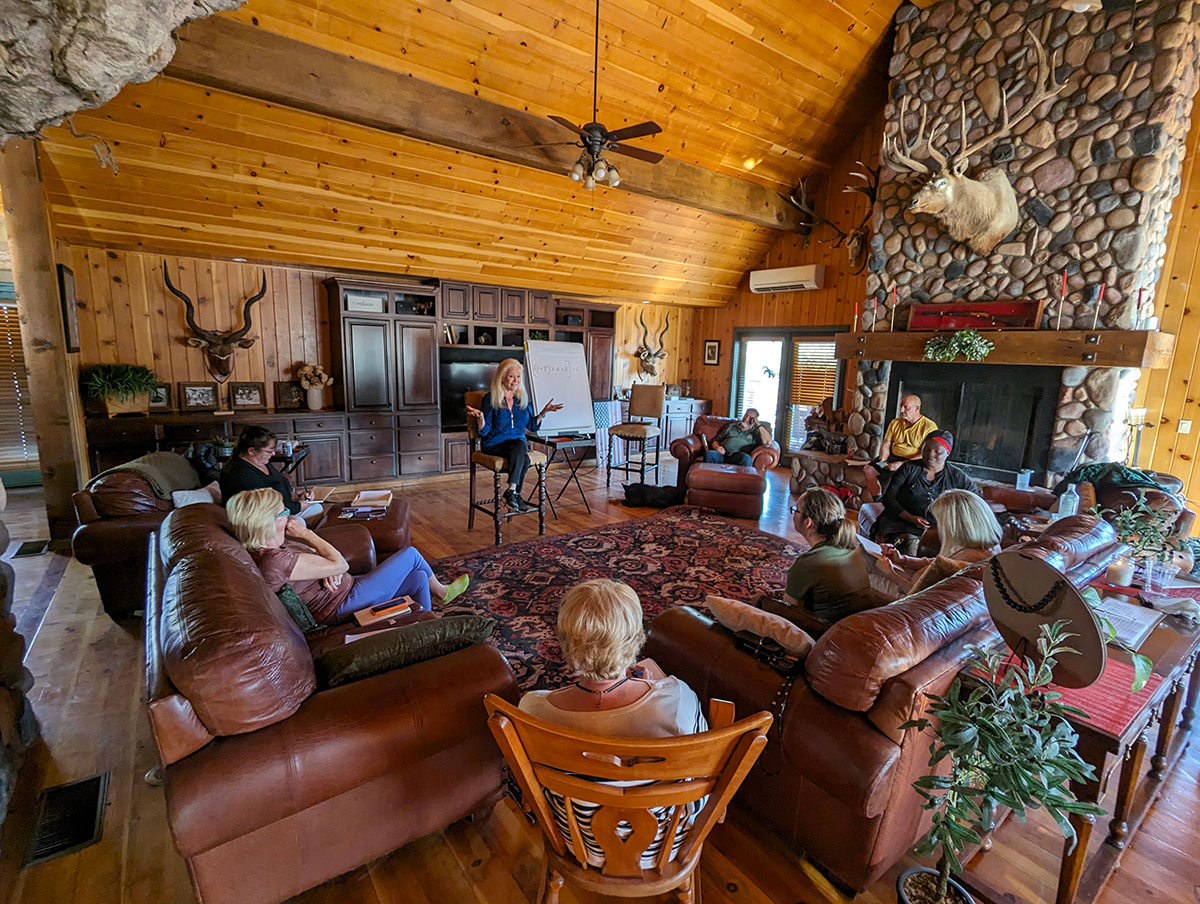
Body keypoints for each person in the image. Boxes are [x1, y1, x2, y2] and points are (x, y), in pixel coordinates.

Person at [519, 579, 707, 869]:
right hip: (663, 848)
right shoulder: (677, 701)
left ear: (564, 642)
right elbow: (701, 785)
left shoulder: (532, 710)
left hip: (578, 844)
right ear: (635, 639)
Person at [227, 487, 468, 624]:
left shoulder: (268, 547)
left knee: (416, 577)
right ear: (268, 522)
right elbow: (339, 562)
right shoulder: (274, 561)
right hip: (341, 604)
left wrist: (327, 571)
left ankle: (426, 624)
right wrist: (307, 534)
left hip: (345, 590)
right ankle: (442, 592)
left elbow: (322, 561)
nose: (290, 518)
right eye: (285, 512)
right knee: (412, 554)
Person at [465, 358, 563, 511]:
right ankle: (514, 493)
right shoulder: (490, 398)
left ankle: (512, 491)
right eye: (511, 376)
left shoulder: (521, 399)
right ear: (502, 377)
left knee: (521, 449)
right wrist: (481, 418)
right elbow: (485, 431)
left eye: (518, 376)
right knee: (521, 449)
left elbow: (531, 425)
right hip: (494, 444)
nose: (515, 380)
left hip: (516, 446)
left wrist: (543, 413)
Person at [874, 430, 980, 556]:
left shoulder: (957, 477)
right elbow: (888, 498)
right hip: (903, 524)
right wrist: (910, 518)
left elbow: (976, 502)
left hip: (941, 531)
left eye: (938, 452)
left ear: (947, 453)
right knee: (911, 548)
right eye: (926, 449)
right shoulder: (908, 469)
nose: (930, 455)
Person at [784, 488, 872, 624]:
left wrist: (762, 600)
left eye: (796, 510)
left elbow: (787, 614)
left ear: (808, 522)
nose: (793, 513)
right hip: (856, 626)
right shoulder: (854, 551)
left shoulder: (807, 565)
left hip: (823, 635)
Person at [219, 425, 322, 520]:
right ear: (251, 451)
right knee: (298, 521)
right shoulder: (239, 473)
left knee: (317, 508)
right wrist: (298, 506)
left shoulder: (262, 462)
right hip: (260, 518)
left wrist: (298, 497)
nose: (273, 454)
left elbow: (278, 487)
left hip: (282, 509)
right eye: (269, 451)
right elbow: (267, 504)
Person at [704, 408, 774, 467]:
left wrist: (758, 424)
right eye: (746, 415)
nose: (746, 418)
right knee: (710, 454)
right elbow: (716, 441)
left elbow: (768, 442)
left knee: (746, 459)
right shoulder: (731, 426)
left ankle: (744, 482)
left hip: (738, 455)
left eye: (750, 417)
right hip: (722, 454)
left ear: (754, 420)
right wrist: (717, 448)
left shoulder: (755, 432)